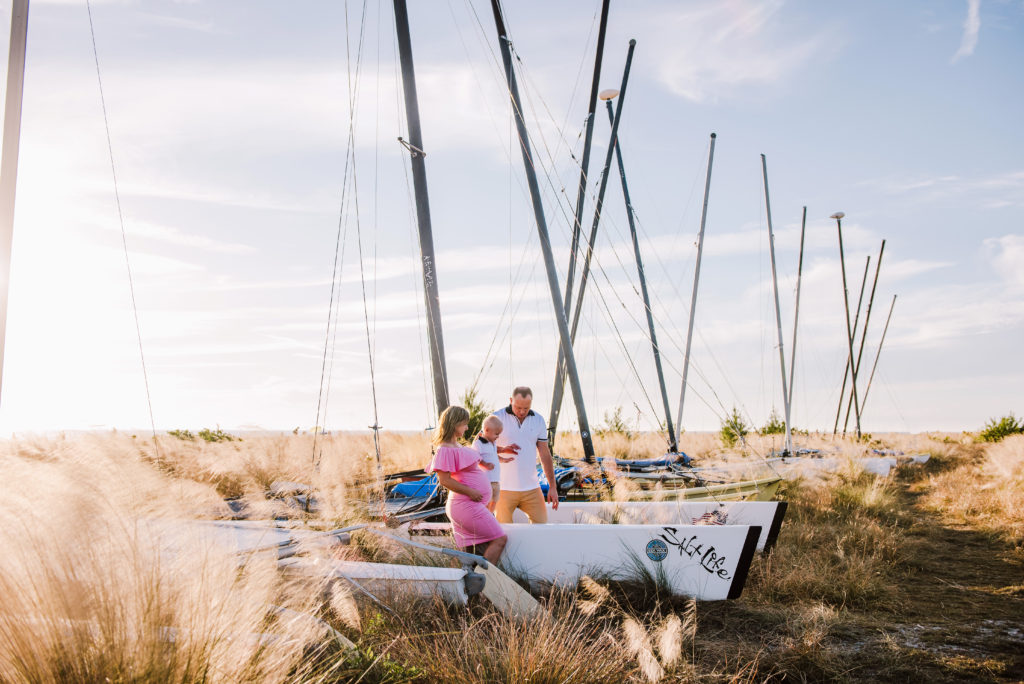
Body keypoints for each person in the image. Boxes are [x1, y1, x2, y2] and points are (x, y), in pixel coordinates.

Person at [427, 405, 506, 564]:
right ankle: (486, 582)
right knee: (500, 539)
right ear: (455, 423)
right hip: (465, 505)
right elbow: (445, 480)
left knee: (468, 557)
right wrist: (471, 492)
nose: (467, 427)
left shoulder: (456, 445)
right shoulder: (444, 449)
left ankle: (472, 584)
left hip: (467, 505)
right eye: (464, 424)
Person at [492, 386, 560, 524]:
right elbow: (480, 446)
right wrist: (502, 451)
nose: (522, 411)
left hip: (532, 489)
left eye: (526, 408)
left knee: (541, 527)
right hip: (503, 489)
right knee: (505, 534)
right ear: (511, 400)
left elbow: (545, 454)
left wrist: (552, 487)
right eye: (518, 407)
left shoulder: (539, 420)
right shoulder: (496, 418)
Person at [473, 414, 513, 513]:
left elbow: (494, 456)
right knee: (486, 501)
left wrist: (503, 460)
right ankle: (485, 515)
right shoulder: (478, 444)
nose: (498, 436)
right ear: (486, 430)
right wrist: (485, 464)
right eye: (496, 434)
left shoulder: (493, 443)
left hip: (495, 480)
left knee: (495, 500)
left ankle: (490, 515)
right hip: (486, 480)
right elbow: (474, 458)